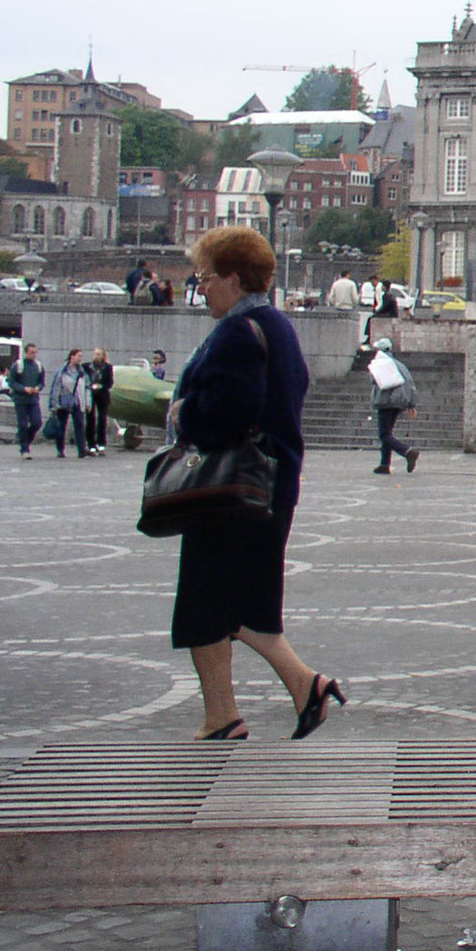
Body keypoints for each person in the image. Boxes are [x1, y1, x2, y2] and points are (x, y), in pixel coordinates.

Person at [172, 224, 339, 743]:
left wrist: (182, 414)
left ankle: (226, 714)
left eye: (205, 279)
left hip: (233, 490)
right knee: (243, 607)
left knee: (208, 604)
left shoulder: (237, 333)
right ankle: (291, 690)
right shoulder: (277, 326)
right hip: (268, 486)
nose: (201, 289)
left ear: (233, 278)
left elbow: (225, 414)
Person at [368, 337, 420, 475]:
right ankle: (385, 464)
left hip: (385, 401)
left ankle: (408, 452)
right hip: (399, 401)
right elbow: (409, 382)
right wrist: (411, 404)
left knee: (384, 434)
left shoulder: (379, 363)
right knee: (388, 433)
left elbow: (373, 380)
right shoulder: (399, 364)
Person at [49, 348, 91, 458]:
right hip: (64, 400)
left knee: (80, 425)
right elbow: (56, 387)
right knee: (62, 425)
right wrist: (54, 404)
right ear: (72, 356)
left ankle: (81, 450)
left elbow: (87, 387)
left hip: (77, 400)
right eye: (78, 356)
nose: (80, 359)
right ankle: (60, 449)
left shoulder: (81, 372)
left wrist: (87, 402)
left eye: (81, 356)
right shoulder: (62, 371)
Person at [6, 343, 45, 458]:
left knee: (37, 422)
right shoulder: (18, 365)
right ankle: (24, 448)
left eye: (35, 352)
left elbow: (41, 381)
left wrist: (38, 387)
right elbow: (11, 382)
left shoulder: (38, 366)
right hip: (20, 399)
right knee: (22, 424)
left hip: (33, 399)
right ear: (26, 353)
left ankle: (25, 439)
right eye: (31, 352)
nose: (34, 355)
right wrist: (23, 389)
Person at [85, 347, 115, 454]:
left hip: (102, 394)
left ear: (103, 356)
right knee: (90, 419)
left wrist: (101, 386)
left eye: (99, 354)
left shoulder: (107, 367)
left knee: (102, 419)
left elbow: (110, 382)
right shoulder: (87, 366)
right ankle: (91, 444)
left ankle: (101, 443)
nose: (96, 356)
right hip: (91, 394)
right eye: (95, 354)